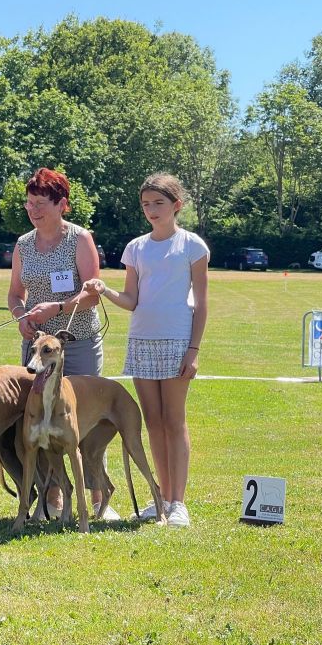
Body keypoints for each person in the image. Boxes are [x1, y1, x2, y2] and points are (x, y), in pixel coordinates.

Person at [81, 172, 209, 528]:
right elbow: (132, 300)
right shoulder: (136, 248)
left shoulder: (192, 246)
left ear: (176, 206)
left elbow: (201, 303)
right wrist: (104, 290)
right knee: (152, 423)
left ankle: (179, 502)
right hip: (142, 341)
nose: (152, 210)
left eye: (159, 203)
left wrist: (193, 349)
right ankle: (162, 499)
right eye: (146, 204)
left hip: (177, 340)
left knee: (174, 421)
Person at [5, 167, 115, 519]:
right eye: (29, 203)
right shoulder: (23, 244)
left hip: (77, 343)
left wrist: (59, 306)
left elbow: (92, 294)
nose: (33, 210)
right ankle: (52, 498)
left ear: (61, 204)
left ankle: (97, 499)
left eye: (40, 203)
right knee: (38, 423)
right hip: (38, 348)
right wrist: (21, 316)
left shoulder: (79, 239)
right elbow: (14, 294)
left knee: (84, 424)